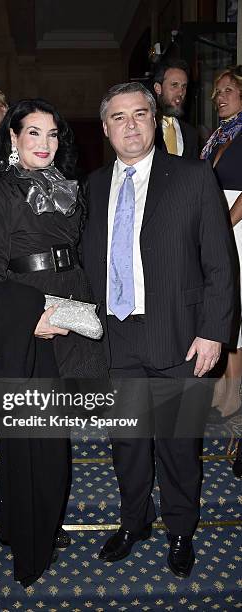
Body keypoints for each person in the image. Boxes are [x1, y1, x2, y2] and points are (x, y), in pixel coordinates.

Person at [82, 82, 236, 578]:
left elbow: (220, 263)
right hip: (116, 336)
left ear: (156, 122)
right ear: (106, 130)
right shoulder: (93, 186)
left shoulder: (192, 178)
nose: (130, 124)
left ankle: (180, 529)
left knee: (177, 445)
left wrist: (215, 332)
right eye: (119, 117)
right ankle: (134, 521)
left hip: (180, 336)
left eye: (140, 114)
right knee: (126, 442)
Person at [0, 98, 108, 586]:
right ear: (13, 138)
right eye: (34, 133)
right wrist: (31, 321)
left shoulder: (67, 189)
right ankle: (31, 548)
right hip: (30, 322)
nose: (45, 144)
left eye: (53, 135)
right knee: (35, 445)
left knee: (48, 437)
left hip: (70, 314)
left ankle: (24, 525)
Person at [200, 66, 242, 423]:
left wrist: (223, 225)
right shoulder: (219, 135)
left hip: (236, 227)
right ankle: (221, 390)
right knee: (222, 304)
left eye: (228, 90)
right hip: (219, 224)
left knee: (237, 313)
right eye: (216, 93)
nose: (219, 98)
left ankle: (234, 396)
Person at [153, 59, 199, 158]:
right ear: (158, 88)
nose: (180, 93)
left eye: (184, 86)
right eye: (174, 85)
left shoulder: (192, 134)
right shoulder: (146, 128)